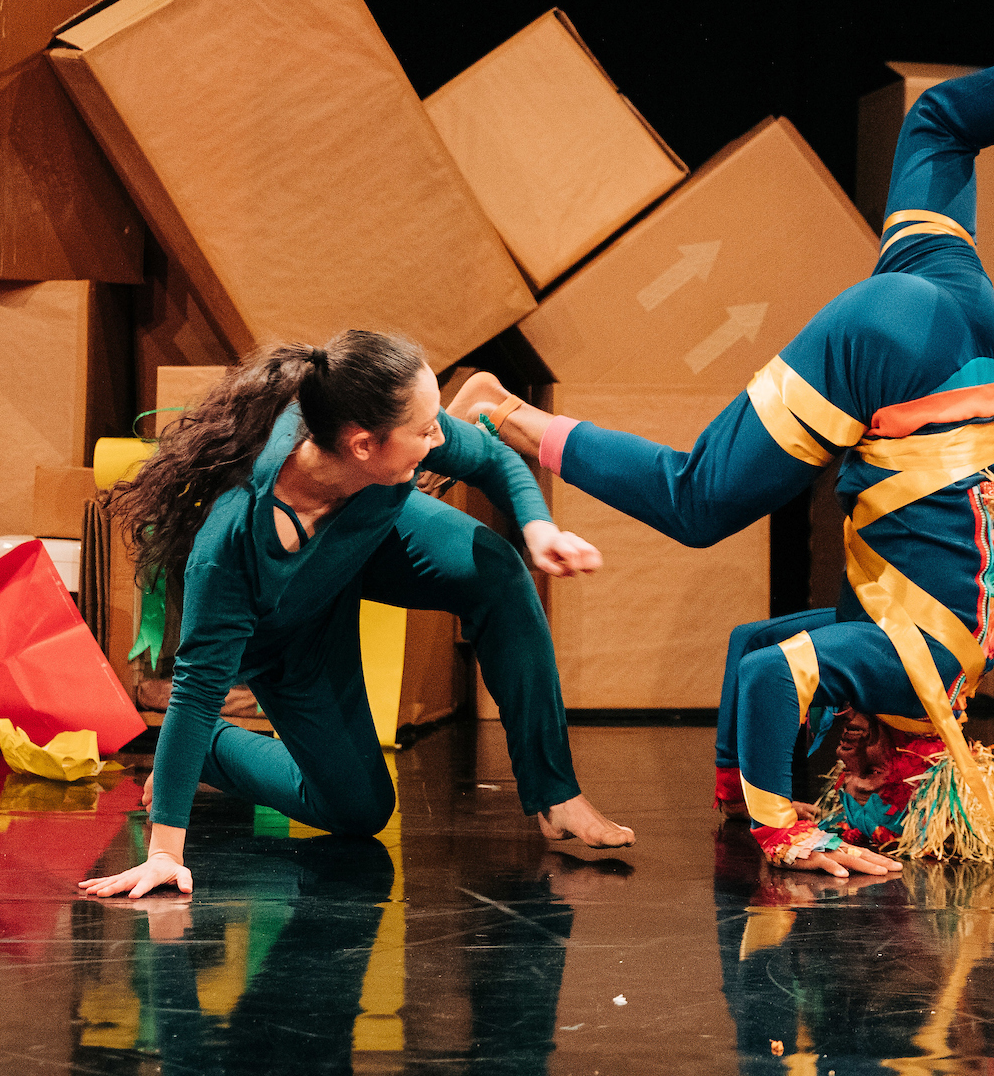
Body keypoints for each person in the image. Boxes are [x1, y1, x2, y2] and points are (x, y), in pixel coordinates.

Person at [467, 0, 994, 873]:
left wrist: (735, 793)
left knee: (936, 126)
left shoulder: (940, 660)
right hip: (894, 355)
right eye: (866, 784)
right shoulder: (911, 688)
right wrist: (785, 829)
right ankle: (504, 411)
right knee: (694, 500)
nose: (849, 769)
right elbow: (774, 681)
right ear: (908, 770)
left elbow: (757, 646)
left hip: (966, 330)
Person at [80, 331, 634, 901]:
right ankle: (214, 753)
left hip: (368, 533)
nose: (439, 436)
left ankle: (554, 793)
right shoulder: (231, 547)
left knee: (497, 571)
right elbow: (195, 694)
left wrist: (540, 530)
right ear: (364, 445)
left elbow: (493, 457)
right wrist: (165, 852)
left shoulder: (377, 433)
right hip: (291, 634)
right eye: (426, 429)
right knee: (359, 810)